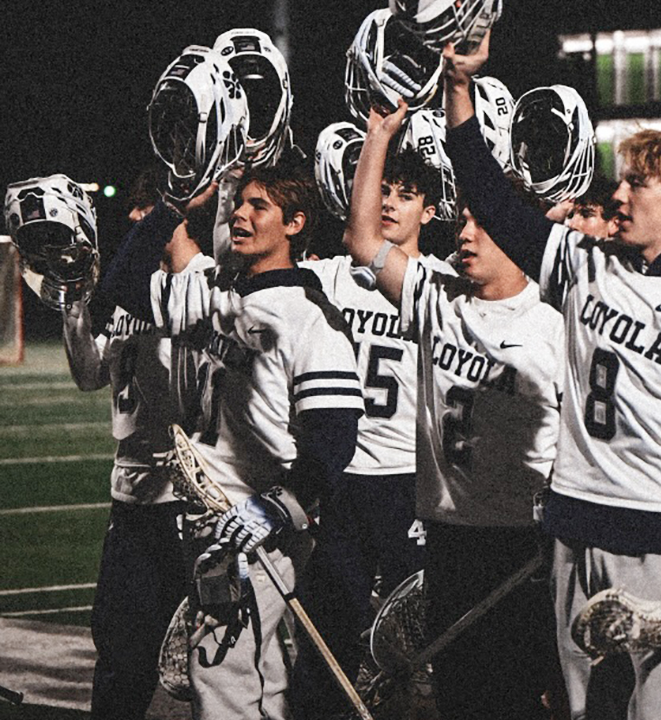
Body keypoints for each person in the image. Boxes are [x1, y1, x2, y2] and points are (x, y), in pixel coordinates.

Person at [439, 33, 661, 720]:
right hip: (571, 530)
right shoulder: (587, 265)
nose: (617, 194)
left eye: (635, 184)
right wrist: (459, 89)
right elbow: (492, 201)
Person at [99, 163, 362, 720]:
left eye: (258, 206)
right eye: (239, 202)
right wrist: (172, 206)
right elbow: (121, 285)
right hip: (202, 523)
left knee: (226, 679)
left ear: (295, 223)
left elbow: (335, 434)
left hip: (256, 532)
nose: (240, 213)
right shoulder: (214, 293)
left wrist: (279, 508)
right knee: (236, 679)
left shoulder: (309, 316)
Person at [343, 101, 566, 719]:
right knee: (459, 699)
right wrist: (379, 135)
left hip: (522, 546)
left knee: (521, 699)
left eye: (482, 224)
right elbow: (363, 240)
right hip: (447, 540)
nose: (464, 234)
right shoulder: (438, 296)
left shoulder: (554, 327)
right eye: (463, 221)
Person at [287, 151, 440, 717]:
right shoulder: (331, 275)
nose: (392, 204)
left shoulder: (440, 285)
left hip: (408, 482)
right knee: (324, 642)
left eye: (407, 194)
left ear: (429, 207)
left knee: (411, 650)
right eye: (386, 192)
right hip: (341, 481)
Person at [52, 172, 208, 720]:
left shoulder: (196, 286)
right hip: (131, 495)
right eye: (137, 210)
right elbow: (91, 374)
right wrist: (72, 304)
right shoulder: (123, 296)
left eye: (150, 211)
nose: (138, 220)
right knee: (120, 650)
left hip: (191, 502)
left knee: (210, 664)